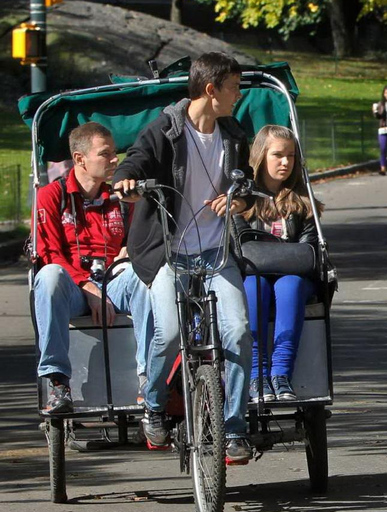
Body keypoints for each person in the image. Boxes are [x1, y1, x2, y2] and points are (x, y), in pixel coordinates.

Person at [113, 52, 255, 464]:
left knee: (239, 332)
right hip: (168, 254)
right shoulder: (165, 129)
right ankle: (154, 405)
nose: (238, 95)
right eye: (233, 87)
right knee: (170, 332)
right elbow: (135, 161)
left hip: (217, 253)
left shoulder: (233, 134)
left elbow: (242, 183)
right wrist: (126, 181)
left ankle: (234, 430)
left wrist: (238, 200)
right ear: (211, 90)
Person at [33, 122, 152, 414]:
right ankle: (58, 381)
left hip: (114, 281)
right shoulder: (51, 195)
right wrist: (86, 286)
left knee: (148, 275)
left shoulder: (121, 199)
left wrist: (132, 249)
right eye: (106, 153)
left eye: (115, 153)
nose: (115, 160)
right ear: (79, 159)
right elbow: (48, 253)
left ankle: (150, 378)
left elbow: (137, 245)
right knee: (48, 276)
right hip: (72, 289)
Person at [237, 125, 323, 402]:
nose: (285, 162)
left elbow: (308, 251)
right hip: (253, 276)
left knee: (290, 285)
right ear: (261, 156)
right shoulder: (241, 200)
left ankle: (281, 373)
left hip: (293, 277)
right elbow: (239, 246)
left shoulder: (302, 202)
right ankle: (257, 375)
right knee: (254, 285)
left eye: (291, 156)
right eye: (278, 155)